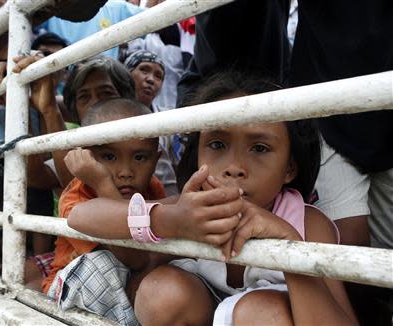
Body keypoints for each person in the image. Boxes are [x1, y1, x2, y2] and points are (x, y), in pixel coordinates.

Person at [68, 71, 357, 325]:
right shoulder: (193, 208)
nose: (234, 166)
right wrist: (170, 219)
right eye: (217, 144)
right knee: (161, 292)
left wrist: (290, 251)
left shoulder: (306, 222)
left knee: (260, 313)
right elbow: (80, 216)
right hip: (202, 310)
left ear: (289, 168)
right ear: (198, 157)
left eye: (259, 148)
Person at [42, 98, 166, 324]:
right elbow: (134, 258)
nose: (126, 172)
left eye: (140, 157)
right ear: (86, 158)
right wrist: (102, 184)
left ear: (156, 160)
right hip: (70, 295)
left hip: (124, 289)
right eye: (109, 157)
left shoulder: (152, 188)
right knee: (102, 264)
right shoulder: (76, 197)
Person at [124, 50, 180, 195]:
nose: (151, 79)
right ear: (127, 73)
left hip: (168, 198)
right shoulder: (111, 115)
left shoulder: (168, 119)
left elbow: (177, 162)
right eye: (144, 70)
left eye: (158, 76)